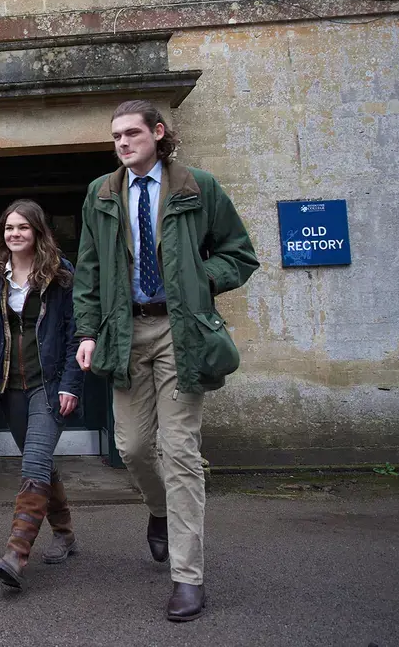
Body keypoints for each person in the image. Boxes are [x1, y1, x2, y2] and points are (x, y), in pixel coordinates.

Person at [73, 100, 258, 621]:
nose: (122, 143)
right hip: (124, 332)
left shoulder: (197, 186)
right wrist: (87, 331)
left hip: (181, 332)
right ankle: (159, 512)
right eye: (115, 136)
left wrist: (204, 279)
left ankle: (187, 576)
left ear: (158, 133)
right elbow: (87, 269)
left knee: (179, 451)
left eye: (132, 133)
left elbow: (239, 254)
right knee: (132, 448)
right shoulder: (101, 193)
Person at [0, 199, 83, 590]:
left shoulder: (60, 274)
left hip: (48, 385)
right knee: (41, 462)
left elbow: (73, 335)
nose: (14, 234)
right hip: (8, 387)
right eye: (8, 228)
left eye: (23, 228)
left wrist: (71, 383)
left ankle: (16, 554)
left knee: (33, 463)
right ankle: (64, 531)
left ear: (38, 232)